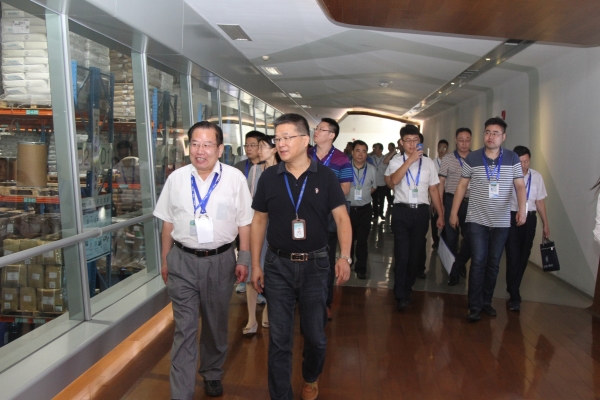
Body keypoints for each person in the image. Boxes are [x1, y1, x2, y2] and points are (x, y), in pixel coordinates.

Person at [250, 113, 351, 400]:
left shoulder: (326, 177)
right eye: (277, 138)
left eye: (287, 137)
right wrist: (255, 263)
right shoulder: (269, 177)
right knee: (279, 339)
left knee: (316, 337)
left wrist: (345, 256)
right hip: (277, 265)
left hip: (316, 266)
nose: (280, 144)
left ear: (305, 140)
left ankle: (310, 376)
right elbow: (259, 221)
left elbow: (342, 219)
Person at [153, 121, 253, 398]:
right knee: (184, 329)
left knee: (215, 323)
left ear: (220, 149)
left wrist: (244, 259)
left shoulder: (235, 179)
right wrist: (165, 260)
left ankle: (212, 371)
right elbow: (167, 223)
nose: (200, 151)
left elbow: (245, 222)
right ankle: (181, 394)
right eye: (195, 144)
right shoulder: (176, 178)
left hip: (221, 261)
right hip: (182, 260)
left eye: (207, 145)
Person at [449, 117, 527, 322]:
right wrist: (453, 212)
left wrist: (523, 209)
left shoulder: (512, 158)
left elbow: (520, 186)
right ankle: (474, 306)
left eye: (495, 133)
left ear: (504, 136)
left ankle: (486, 302)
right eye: (487, 132)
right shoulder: (473, 157)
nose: (491, 136)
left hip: (501, 221)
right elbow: (462, 186)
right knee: (478, 261)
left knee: (493, 263)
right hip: (476, 219)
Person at [385, 125, 444, 311]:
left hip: (421, 212)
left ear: (420, 141)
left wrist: (440, 214)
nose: (412, 144)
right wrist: (410, 161)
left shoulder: (429, 163)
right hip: (401, 211)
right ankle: (399, 293)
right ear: (401, 142)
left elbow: (433, 189)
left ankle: (408, 288)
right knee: (402, 253)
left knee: (415, 253)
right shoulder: (396, 161)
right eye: (408, 141)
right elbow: (394, 181)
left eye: (415, 140)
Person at [309, 117, 352, 320]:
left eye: (321, 129)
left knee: (325, 260)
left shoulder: (342, 159)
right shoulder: (305, 154)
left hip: (328, 216)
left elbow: (345, 189)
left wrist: (319, 193)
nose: (316, 132)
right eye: (316, 128)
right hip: (305, 214)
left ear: (331, 135)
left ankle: (325, 302)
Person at [242, 135, 280, 336]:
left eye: (263, 147)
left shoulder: (283, 171)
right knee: (251, 271)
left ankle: (267, 311)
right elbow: (249, 201)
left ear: (274, 149)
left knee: (271, 272)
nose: (258, 151)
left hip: (275, 228)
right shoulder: (255, 171)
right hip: (255, 227)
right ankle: (251, 319)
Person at [504, 145, 550, 311]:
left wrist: (545, 224)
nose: (523, 165)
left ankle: (513, 286)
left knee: (524, 255)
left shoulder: (536, 177)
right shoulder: (507, 176)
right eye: (520, 162)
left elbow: (540, 201)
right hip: (511, 218)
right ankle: (514, 294)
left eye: (526, 161)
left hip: (530, 218)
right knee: (513, 255)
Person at [439, 128, 473, 286]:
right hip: (451, 200)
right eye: (461, 140)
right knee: (452, 238)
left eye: (467, 140)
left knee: (471, 237)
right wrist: (440, 204)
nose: (464, 143)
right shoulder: (448, 158)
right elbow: (441, 182)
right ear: (455, 141)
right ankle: (453, 274)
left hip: (471, 202)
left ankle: (459, 262)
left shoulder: (476, 158)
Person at [234, 130, 265, 293]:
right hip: (243, 215)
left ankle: (260, 283)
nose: (248, 148)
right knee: (244, 245)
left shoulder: (267, 166)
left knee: (259, 248)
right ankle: (244, 279)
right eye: (246, 145)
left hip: (261, 215)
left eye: (253, 145)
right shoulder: (238, 167)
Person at [347, 140, 377, 279]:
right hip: (348, 209)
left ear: (367, 154)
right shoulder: (345, 167)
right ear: (352, 152)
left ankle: (361, 268)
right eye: (357, 151)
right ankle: (347, 263)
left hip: (365, 209)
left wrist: (364, 195)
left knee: (362, 240)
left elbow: (374, 187)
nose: (360, 154)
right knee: (348, 239)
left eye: (364, 151)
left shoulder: (371, 169)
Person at [370, 143, 388, 219]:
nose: (374, 149)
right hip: (373, 183)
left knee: (382, 199)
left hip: (382, 182)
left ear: (380, 149)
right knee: (374, 199)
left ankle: (381, 213)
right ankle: (375, 214)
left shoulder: (385, 158)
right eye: (374, 148)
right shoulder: (371, 158)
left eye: (376, 148)